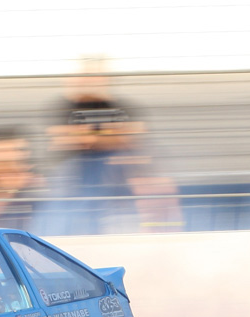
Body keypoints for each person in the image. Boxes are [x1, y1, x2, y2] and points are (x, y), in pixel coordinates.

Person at [40, 57, 181, 235]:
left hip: (111, 182)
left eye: (95, 76)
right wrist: (106, 136)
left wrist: (88, 137)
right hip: (75, 180)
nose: (89, 82)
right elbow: (60, 139)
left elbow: (132, 135)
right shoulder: (64, 107)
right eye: (85, 76)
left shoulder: (120, 107)